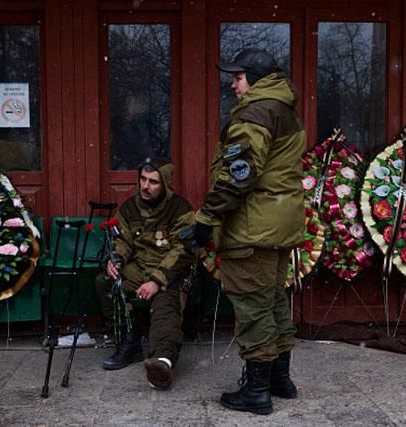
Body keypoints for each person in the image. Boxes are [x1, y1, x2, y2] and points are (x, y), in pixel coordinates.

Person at [193, 48, 306, 415]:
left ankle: (257, 393)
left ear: (255, 79)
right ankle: (279, 380)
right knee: (273, 300)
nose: (232, 84)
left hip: (253, 227)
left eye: (238, 77)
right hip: (278, 225)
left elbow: (238, 175)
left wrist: (205, 219)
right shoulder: (284, 108)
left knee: (254, 307)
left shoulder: (256, 112)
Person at [95, 158, 194, 390]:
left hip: (170, 272)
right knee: (106, 282)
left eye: (153, 182)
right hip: (139, 268)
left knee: (165, 302)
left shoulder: (181, 209)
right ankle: (128, 343)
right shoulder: (130, 208)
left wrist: (157, 280)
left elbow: (183, 250)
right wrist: (115, 259)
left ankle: (163, 362)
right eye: (143, 179)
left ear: (165, 185)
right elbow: (123, 240)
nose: (146, 186)